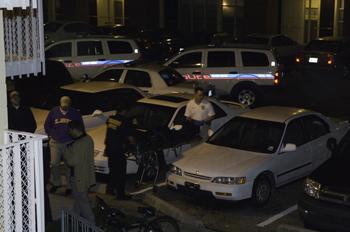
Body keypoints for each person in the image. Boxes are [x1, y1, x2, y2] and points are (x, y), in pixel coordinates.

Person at [44, 96, 83, 195]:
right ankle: (56, 183)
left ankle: (69, 186)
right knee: (54, 163)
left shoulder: (74, 113)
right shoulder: (54, 111)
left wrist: (75, 137)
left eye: (66, 106)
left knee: (68, 165)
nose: (64, 108)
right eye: (63, 106)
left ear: (69, 104)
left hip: (69, 142)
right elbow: (47, 125)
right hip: (56, 142)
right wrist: (52, 134)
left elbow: (80, 126)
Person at [64, 120, 95, 223]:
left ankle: (92, 225)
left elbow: (72, 162)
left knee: (83, 202)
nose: (68, 133)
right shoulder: (88, 139)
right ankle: (73, 220)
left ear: (74, 130)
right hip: (86, 175)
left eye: (69, 130)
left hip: (78, 178)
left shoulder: (77, 144)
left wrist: (66, 152)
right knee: (78, 200)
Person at [104, 103, 134, 200]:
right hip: (118, 150)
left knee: (112, 171)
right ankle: (120, 195)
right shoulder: (125, 121)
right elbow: (130, 137)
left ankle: (109, 190)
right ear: (124, 111)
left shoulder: (110, 119)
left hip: (110, 149)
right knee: (121, 172)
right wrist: (134, 144)